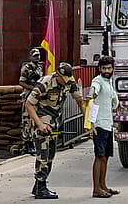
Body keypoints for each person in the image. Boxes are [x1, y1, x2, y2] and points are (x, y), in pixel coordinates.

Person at [26, 62, 87, 199]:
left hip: (54, 122)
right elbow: (29, 104)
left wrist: (86, 119)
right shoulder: (45, 83)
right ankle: (41, 188)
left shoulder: (69, 81)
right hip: (41, 121)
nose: (65, 82)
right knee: (43, 154)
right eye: (63, 79)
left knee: (51, 154)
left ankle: (38, 186)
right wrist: (40, 124)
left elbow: (78, 99)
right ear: (57, 75)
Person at [87, 56, 124, 198]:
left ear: (113, 69)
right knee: (99, 156)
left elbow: (113, 99)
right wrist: (92, 95)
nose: (106, 71)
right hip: (99, 125)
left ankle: (103, 186)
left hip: (108, 124)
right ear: (99, 69)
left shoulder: (109, 82)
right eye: (104, 68)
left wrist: (119, 105)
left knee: (105, 157)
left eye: (109, 68)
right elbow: (94, 91)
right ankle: (96, 189)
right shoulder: (97, 81)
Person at [19, 48, 43, 155]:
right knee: (27, 120)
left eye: (38, 55)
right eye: (35, 56)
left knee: (35, 119)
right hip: (28, 95)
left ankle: (34, 141)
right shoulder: (26, 68)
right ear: (30, 57)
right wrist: (31, 88)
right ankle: (27, 143)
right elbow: (21, 82)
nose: (37, 58)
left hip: (37, 96)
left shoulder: (39, 67)